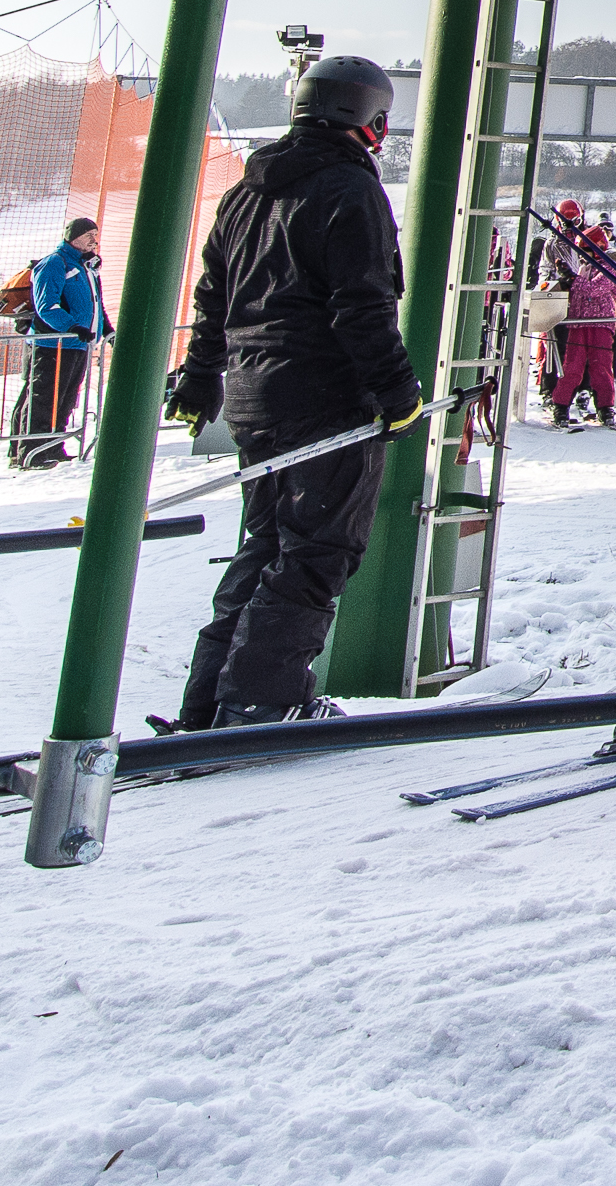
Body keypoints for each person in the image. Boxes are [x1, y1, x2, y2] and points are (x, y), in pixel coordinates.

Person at [162, 57, 425, 731]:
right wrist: (397, 392)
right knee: (316, 552)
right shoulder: (348, 189)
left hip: (255, 398)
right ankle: (261, 701)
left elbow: (213, 294)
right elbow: (362, 305)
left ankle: (211, 699)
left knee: (267, 543)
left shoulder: (248, 192)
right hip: (325, 399)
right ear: (369, 118)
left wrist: (199, 376)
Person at [12, 217, 107, 468]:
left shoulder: (87, 266)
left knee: (65, 399)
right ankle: (31, 452)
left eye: (95, 234)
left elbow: (95, 303)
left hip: (78, 344)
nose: (93, 240)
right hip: (53, 344)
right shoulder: (55, 263)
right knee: (44, 398)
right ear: (72, 236)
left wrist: (104, 328)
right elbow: (47, 306)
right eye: (88, 234)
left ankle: (54, 445)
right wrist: (72, 327)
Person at [548, 202, 616, 430]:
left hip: (600, 325)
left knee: (601, 367)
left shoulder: (609, 268)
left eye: (586, 251)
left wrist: (572, 280)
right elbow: (579, 290)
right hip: (579, 324)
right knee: (573, 366)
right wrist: (567, 279)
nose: (582, 256)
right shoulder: (584, 268)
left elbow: (590, 290)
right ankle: (560, 404)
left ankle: (605, 406)